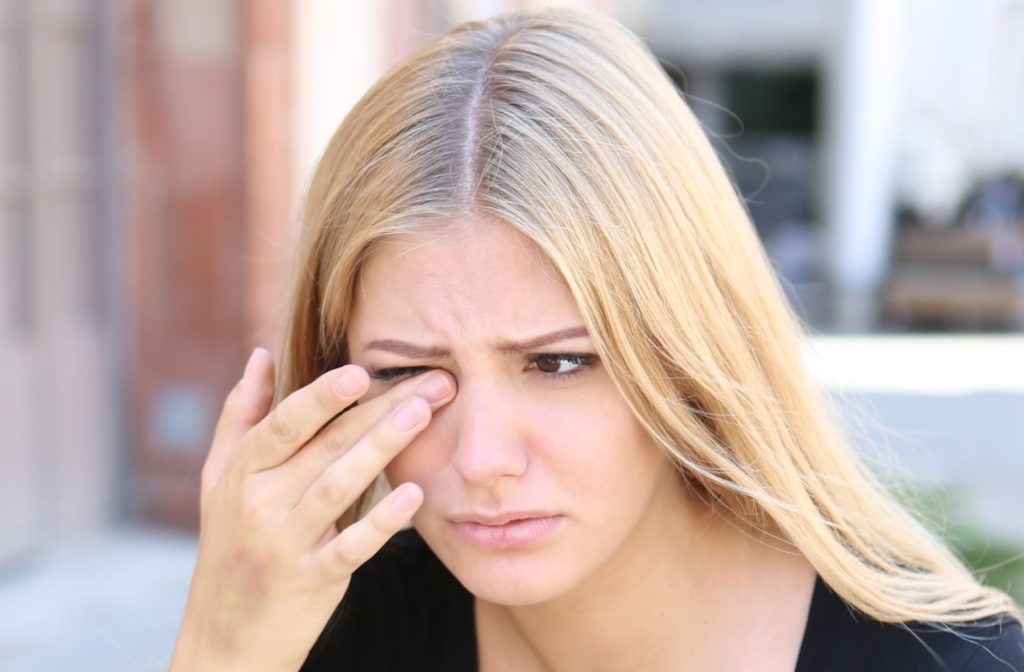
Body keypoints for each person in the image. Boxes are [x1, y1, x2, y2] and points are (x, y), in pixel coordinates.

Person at [170, 8, 1024, 671]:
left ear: (688, 352)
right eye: (407, 375)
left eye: (558, 362)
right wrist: (218, 650)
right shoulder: (327, 632)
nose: (482, 457)